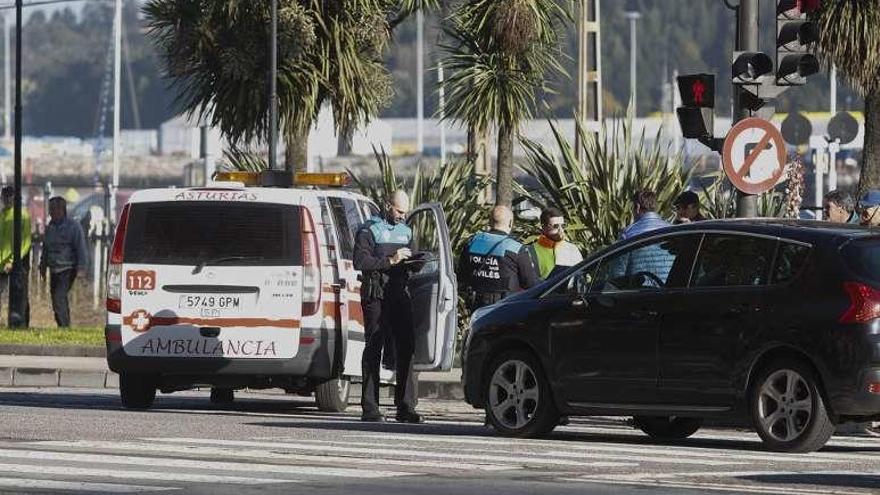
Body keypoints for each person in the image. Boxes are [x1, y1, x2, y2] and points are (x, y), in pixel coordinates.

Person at [353, 190, 422, 424]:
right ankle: (370, 408)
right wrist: (390, 260)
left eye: (405, 211)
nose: (403, 216)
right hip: (376, 293)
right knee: (374, 345)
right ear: (387, 205)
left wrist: (415, 263)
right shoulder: (369, 229)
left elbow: (410, 260)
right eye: (399, 211)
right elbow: (360, 262)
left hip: (399, 291)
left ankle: (406, 407)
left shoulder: (407, 231)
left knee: (407, 347)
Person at [459, 205, 539, 311]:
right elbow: (530, 284)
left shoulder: (472, 243)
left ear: (489, 222)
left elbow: (462, 276)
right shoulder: (516, 248)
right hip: (505, 308)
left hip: (477, 306)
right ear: (510, 223)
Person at [39, 196, 88, 328]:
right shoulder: (50, 228)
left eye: (53, 209)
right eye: (50, 209)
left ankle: (64, 326)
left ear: (61, 210)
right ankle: (63, 325)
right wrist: (42, 267)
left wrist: (81, 268)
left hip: (67, 269)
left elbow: (80, 248)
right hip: (54, 269)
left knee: (59, 298)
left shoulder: (73, 227)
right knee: (56, 299)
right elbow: (46, 249)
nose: (50, 212)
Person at [0, 185, 32, 327]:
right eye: (5, 197)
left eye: (9, 196)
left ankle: (21, 324)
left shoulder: (22, 215)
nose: (7, 200)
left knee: (19, 294)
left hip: (14, 262)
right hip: (1, 262)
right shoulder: (2, 215)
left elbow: (25, 242)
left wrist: (13, 261)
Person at [526, 207, 583, 279]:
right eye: (556, 226)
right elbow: (528, 281)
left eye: (563, 226)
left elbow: (582, 276)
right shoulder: (530, 251)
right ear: (543, 227)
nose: (561, 230)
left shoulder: (572, 249)